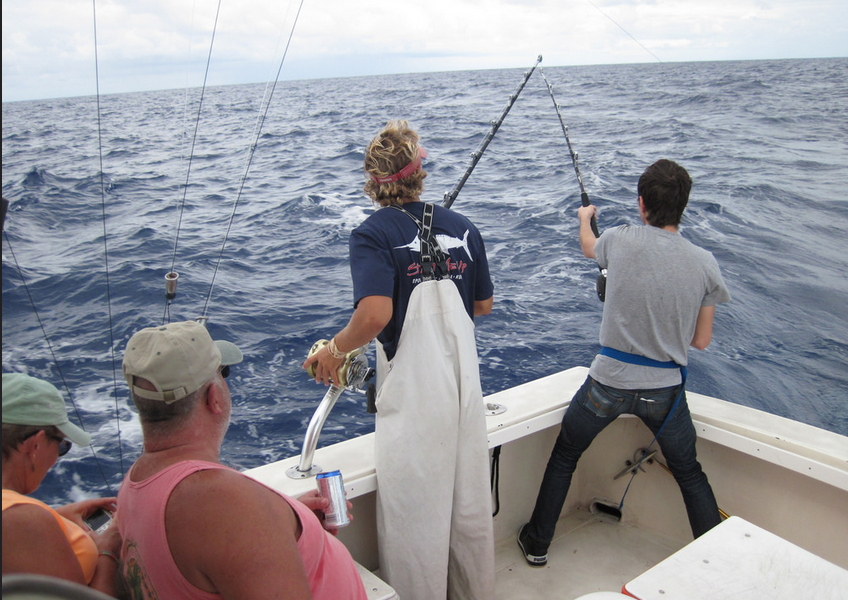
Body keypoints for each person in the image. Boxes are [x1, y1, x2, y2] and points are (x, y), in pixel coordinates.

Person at [303, 120, 496, 600]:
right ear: (419, 172)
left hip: (416, 402)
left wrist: (336, 348)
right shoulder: (465, 228)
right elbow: (483, 306)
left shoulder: (371, 234)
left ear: (373, 181)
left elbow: (374, 313)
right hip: (466, 394)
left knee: (416, 522)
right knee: (469, 509)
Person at [518, 159, 732, 566]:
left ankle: (537, 544)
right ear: (683, 206)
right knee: (689, 473)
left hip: (607, 383)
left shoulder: (618, 239)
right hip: (664, 395)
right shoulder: (705, 262)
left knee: (566, 455)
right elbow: (701, 341)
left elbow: (587, 245)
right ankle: (717, 563)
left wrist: (586, 217)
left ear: (641, 204)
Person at [117, 320, 367, 600]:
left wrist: (285, 521)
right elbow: (221, 522)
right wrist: (254, 520)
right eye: (223, 372)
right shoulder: (225, 506)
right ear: (214, 398)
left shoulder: (136, 482)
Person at [2, 373, 122, 596]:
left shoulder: (21, 519)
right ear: (35, 445)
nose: (58, 456)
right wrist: (108, 551)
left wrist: (56, 518)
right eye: (61, 446)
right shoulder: (20, 520)